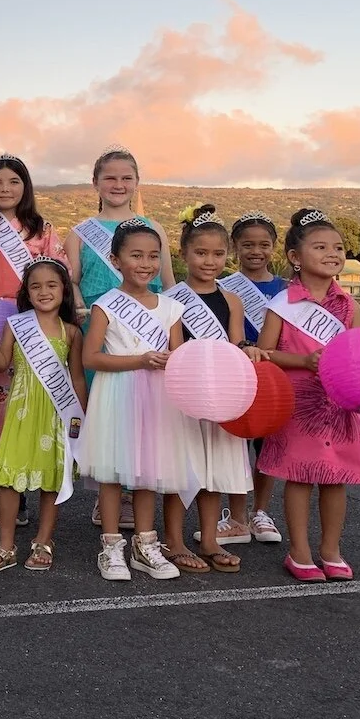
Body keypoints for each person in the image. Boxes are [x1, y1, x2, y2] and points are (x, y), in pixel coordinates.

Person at [257, 209, 360, 583]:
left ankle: (331, 549)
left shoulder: (351, 306)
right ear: (295, 258)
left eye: (339, 247)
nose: (333, 253)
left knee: (335, 477)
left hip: (339, 403)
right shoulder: (281, 305)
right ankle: (298, 551)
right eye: (320, 247)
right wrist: (303, 360)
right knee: (300, 476)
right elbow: (265, 353)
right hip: (299, 401)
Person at [65, 146, 176, 533]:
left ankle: (134, 493)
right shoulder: (80, 232)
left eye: (126, 177)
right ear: (95, 182)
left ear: (137, 182)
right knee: (109, 415)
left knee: (144, 417)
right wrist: (79, 304)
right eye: (109, 177)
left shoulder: (154, 228)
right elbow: (73, 282)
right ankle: (107, 495)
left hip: (149, 333)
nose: (118, 184)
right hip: (103, 332)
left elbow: (170, 285)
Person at [0, 153, 67, 529]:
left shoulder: (43, 230)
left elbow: (58, 273)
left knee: (31, 406)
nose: (6, 189)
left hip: (33, 325)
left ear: (26, 187)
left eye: (14, 182)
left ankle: (33, 481)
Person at [77, 219, 189, 581]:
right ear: (115, 259)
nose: (145, 263)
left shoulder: (171, 308)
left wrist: (176, 362)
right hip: (117, 393)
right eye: (136, 255)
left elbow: (180, 355)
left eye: (153, 256)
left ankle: (146, 545)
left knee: (147, 472)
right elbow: (90, 358)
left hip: (158, 398)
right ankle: (111, 547)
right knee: (113, 473)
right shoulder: (106, 305)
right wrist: (140, 360)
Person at [160, 205, 263, 574]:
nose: (209, 260)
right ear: (184, 253)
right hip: (183, 396)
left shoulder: (232, 300)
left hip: (221, 396)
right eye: (201, 253)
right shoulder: (171, 299)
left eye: (218, 253)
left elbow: (235, 344)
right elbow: (173, 350)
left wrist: (248, 350)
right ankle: (173, 539)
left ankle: (207, 538)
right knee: (180, 470)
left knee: (213, 468)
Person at [0, 258, 86, 574]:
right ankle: (6, 545)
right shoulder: (16, 325)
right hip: (22, 411)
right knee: (10, 479)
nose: (44, 291)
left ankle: (43, 542)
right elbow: (1, 365)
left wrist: (81, 415)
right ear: (27, 291)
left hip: (55, 412)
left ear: (63, 290)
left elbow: (77, 378)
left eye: (52, 285)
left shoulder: (72, 333)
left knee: (52, 478)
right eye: (36, 286)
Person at [215, 211, 288, 542]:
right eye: (247, 245)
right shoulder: (224, 287)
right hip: (236, 374)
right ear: (235, 247)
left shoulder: (287, 290)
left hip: (275, 376)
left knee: (267, 447)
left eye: (264, 244)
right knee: (235, 445)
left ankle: (261, 512)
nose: (255, 251)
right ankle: (237, 514)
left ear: (274, 247)